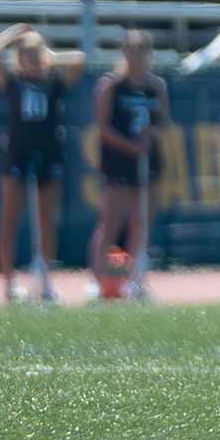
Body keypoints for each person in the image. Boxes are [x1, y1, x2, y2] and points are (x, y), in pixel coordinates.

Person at [0, 23, 85, 303]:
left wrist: (50, 58)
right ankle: (9, 281)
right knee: (10, 218)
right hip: (17, 154)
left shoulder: (54, 82)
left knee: (47, 220)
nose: (30, 58)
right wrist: (16, 33)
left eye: (35, 52)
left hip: (48, 153)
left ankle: (44, 278)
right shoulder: (13, 82)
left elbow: (80, 60)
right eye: (25, 53)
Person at [89, 29, 170, 298]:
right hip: (119, 161)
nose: (135, 55)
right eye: (130, 49)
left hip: (147, 161)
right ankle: (97, 281)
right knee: (110, 222)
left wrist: (150, 135)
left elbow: (164, 123)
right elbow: (103, 127)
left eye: (140, 49)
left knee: (141, 223)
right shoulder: (112, 84)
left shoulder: (156, 86)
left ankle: (136, 280)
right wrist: (131, 146)